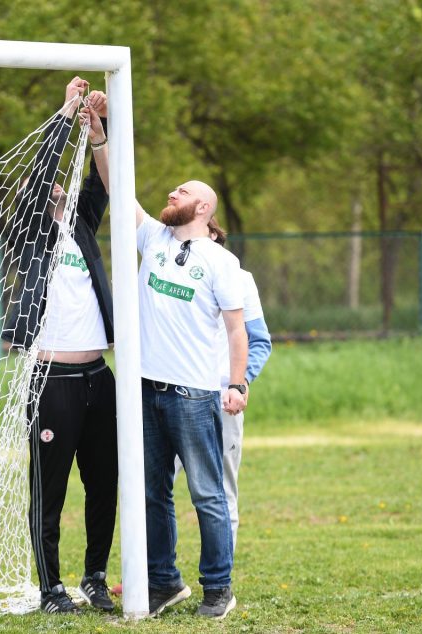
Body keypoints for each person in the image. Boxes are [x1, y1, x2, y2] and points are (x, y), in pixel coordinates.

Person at [2, 77, 118, 614]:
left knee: (105, 481)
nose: (56, 192)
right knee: (50, 489)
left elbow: (105, 182)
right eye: (48, 190)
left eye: (59, 191)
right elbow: (40, 177)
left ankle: (94, 575)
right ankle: (51, 588)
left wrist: (97, 128)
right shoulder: (29, 233)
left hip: (99, 377)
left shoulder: (82, 229)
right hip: (53, 381)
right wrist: (65, 111)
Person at [134, 182, 249, 619]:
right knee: (151, 493)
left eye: (181, 191)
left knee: (206, 494)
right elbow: (120, 190)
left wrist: (236, 385)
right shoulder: (152, 237)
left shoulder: (222, 262)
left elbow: (238, 331)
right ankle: (164, 582)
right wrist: (100, 138)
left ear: (202, 207)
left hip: (194, 396)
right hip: (145, 390)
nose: (171, 192)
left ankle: (218, 589)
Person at [174, 219, 272, 548]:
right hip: (167, 395)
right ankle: (151, 578)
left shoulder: (240, 279)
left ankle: (220, 579)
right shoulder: (166, 273)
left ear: (215, 235)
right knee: (151, 490)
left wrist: (238, 383)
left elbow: (258, 341)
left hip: (218, 400)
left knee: (220, 489)